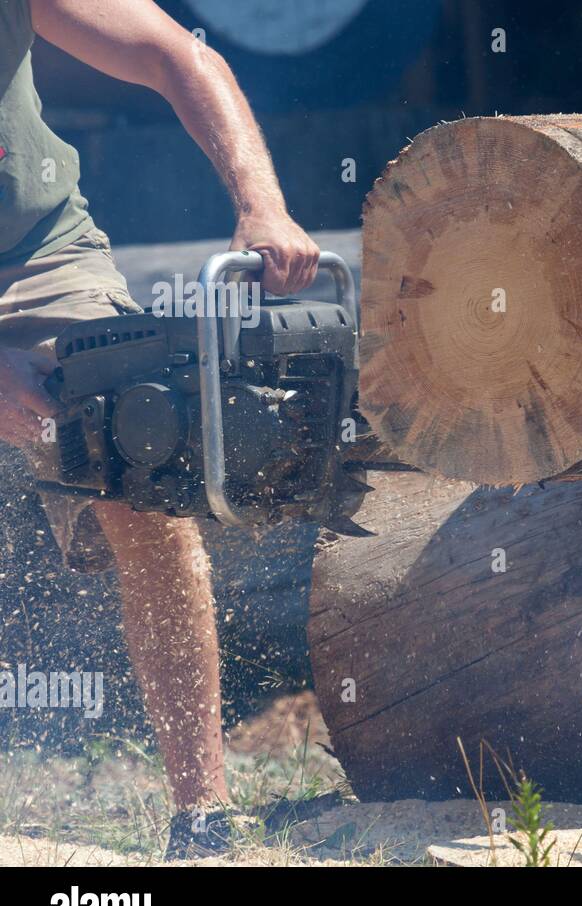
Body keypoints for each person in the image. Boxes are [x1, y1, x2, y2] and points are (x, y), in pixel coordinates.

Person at [0, 0, 319, 857]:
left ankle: (204, 815)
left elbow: (179, 56)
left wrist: (264, 205)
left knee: (149, 479)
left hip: (38, 254)